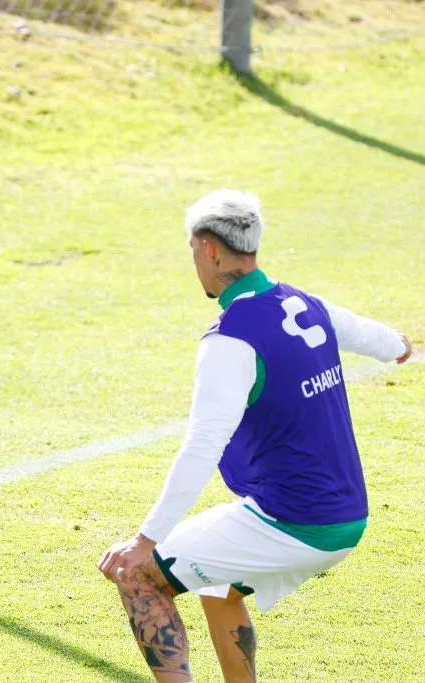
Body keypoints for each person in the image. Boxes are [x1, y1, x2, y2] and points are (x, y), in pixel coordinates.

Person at [98, 190, 413, 682]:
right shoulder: (303, 303)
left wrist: (145, 539)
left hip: (294, 519)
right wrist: (399, 345)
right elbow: (380, 339)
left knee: (139, 574)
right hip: (345, 514)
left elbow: (203, 446)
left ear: (209, 249)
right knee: (217, 585)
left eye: (191, 249)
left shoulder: (229, 339)